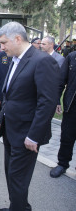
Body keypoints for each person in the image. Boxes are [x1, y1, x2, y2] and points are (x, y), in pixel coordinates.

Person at [0, 22, 59, 211]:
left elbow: (46, 102)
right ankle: (19, 206)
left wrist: (34, 135)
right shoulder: (15, 60)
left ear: (17, 38)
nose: (1, 48)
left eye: (4, 43)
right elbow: (9, 94)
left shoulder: (42, 61)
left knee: (18, 178)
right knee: (11, 174)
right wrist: (1, 120)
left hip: (26, 134)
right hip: (10, 129)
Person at [50, 50, 76, 178]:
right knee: (67, 137)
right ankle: (62, 164)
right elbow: (61, 81)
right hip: (72, 106)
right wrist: (57, 101)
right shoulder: (72, 57)